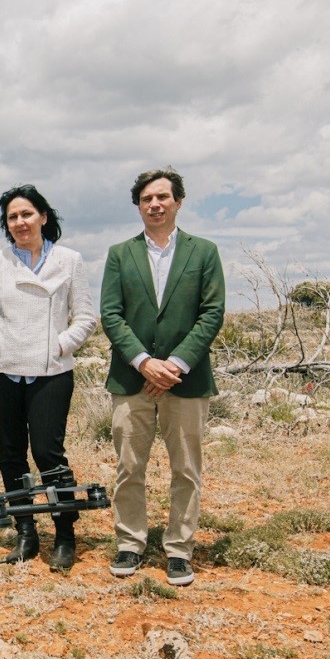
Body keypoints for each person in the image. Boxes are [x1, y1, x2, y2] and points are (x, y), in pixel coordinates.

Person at [100, 167, 225, 586]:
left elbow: (211, 313)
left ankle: (178, 549)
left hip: (186, 382)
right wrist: (143, 361)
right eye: (146, 199)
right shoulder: (120, 253)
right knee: (128, 467)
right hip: (132, 380)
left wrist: (175, 364)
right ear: (138, 206)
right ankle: (130, 542)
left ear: (178, 202)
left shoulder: (203, 252)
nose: (154, 205)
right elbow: (111, 314)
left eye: (162, 198)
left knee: (186, 469)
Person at [0, 184, 96, 572]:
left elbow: (87, 317)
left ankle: (64, 533)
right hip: (2, 371)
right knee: (11, 455)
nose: (20, 222)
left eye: (26, 214)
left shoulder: (70, 260)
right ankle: (25, 531)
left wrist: (60, 345)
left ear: (43, 216)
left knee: (48, 453)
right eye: (12, 217)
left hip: (50, 373)